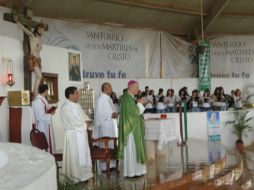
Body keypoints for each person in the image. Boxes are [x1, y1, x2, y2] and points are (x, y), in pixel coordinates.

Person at [60, 86, 93, 182]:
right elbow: (72, 122)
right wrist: (85, 123)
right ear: (70, 95)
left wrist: (88, 121)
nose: (79, 95)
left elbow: (84, 117)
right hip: (73, 136)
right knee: (75, 157)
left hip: (81, 135)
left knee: (83, 155)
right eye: (77, 93)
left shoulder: (77, 106)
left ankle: (84, 175)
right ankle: (74, 177)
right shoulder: (65, 107)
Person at [118, 80, 147, 177]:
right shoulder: (128, 98)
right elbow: (133, 114)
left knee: (133, 150)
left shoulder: (128, 97)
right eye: (137, 88)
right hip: (131, 130)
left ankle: (136, 171)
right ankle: (133, 172)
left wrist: (138, 103)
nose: (138, 90)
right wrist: (140, 103)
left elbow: (131, 111)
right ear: (131, 88)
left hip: (132, 128)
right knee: (132, 149)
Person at [15, 18, 46, 97]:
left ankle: (35, 91)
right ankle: (35, 91)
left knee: (39, 77)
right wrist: (17, 22)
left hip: (38, 59)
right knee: (39, 76)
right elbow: (25, 29)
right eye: (40, 29)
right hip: (33, 57)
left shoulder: (40, 39)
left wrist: (42, 23)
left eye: (43, 30)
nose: (42, 31)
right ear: (37, 29)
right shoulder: (32, 35)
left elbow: (39, 48)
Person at [94, 82, 118, 171]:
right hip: (105, 126)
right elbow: (99, 115)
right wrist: (110, 115)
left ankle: (112, 165)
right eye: (110, 87)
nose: (111, 89)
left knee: (112, 145)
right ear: (105, 89)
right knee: (106, 145)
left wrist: (114, 114)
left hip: (111, 125)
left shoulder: (109, 99)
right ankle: (104, 167)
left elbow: (110, 111)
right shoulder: (100, 99)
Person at [33, 84, 56, 153]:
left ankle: (50, 156)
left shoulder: (42, 99)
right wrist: (50, 114)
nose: (47, 92)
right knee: (44, 144)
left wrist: (51, 109)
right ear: (45, 90)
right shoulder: (38, 101)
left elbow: (46, 108)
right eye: (47, 90)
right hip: (42, 126)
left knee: (48, 142)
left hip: (46, 124)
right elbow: (39, 116)